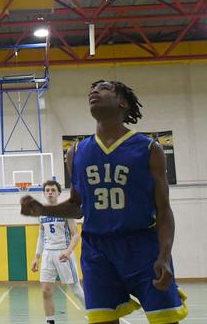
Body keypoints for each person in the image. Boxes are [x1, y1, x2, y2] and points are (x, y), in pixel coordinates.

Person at [21, 80, 187, 324]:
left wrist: (164, 254)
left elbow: (164, 210)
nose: (94, 91)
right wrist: (43, 209)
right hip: (97, 250)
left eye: (104, 88)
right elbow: (77, 206)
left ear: (122, 102)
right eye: (92, 89)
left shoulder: (149, 149)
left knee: (165, 319)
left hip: (142, 246)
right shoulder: (76, 152)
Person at [29, 180, 85, 323]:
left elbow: (76, 234)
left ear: (59, 192)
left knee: (76, 290)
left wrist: (68, 251)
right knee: (45, 290)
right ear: (44, 193)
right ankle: (50, 320)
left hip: (63, 253)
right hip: (48, 253)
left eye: (53, 190)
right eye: (47, 190)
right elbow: (41, 235)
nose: (50, 193)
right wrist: (36, 257)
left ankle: (95, 315)